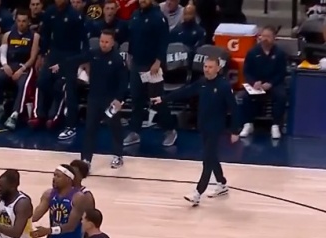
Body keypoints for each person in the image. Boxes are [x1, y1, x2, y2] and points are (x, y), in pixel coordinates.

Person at [151, 56, 240, 206]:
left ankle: (197, 193)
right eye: (205, 67)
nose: (207, 70)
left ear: (218, 69)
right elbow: (185, 91)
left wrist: (235, 130)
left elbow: (234, 109)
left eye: (210, 67)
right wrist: (163, 99)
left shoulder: (224, 86)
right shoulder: (202, 82)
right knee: (212, 157)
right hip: (203, 126)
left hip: (216, 127)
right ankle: (222, 184)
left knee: (207, 160)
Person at [67, 29, 128, 168]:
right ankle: (86, 160)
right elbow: (77, 59)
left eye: (106, 42)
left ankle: (118, 155)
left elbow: (123, 81)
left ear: (112, 43)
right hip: (94, 98)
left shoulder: (118, 59)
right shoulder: (93, 54)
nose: (103, 44)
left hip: (111, 100)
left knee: (114, 127)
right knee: (90, 129)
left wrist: (119, 99)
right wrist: (60, 64)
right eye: (101, 41)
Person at [123, 0, 177, 148]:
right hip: (137, 63)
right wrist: (129, 55)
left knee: (156, 99)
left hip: (153, 65)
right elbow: (132, 37)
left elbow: (164, 41)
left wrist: (158, 61)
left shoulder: (158, 17)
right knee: (136, 99)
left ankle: (170, 130)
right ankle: (134, 132)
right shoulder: (135, 15)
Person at [31, 0, 88, 140]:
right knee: (42, 81)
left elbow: (84, 41)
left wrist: (84, 61)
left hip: (71, 55)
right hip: (54, 53)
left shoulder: (75, 15)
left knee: (66, 87)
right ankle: (41, 115)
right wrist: (41, 55)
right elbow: (45, 35)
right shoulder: (50, 12)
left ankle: (69, 124)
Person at [0, 10, 40, 130]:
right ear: (16, 21)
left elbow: (33, 58)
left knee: (23, 84)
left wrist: (21, 69)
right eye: (19, 21)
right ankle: (0, 107)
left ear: (28, 22)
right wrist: (5, 65)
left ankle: (14, 114)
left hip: (25, 66)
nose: (21, 23)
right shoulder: (7, 35)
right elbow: (3, 54)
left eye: (24, 21)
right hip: (10, 65)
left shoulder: (34, 36)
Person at [239, 25, 287, 140]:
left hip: (273, 84)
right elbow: (246, 72)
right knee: (244, 97)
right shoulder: (252, 52)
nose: (265, 39)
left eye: (268, 36)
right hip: (257, 84)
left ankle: (276, 125)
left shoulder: (280, 53)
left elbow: (281, 72)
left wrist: (271, 83)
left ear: (274, 38)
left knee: (281, 96)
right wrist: (253, 83)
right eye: (263, 36)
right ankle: (248, 124)